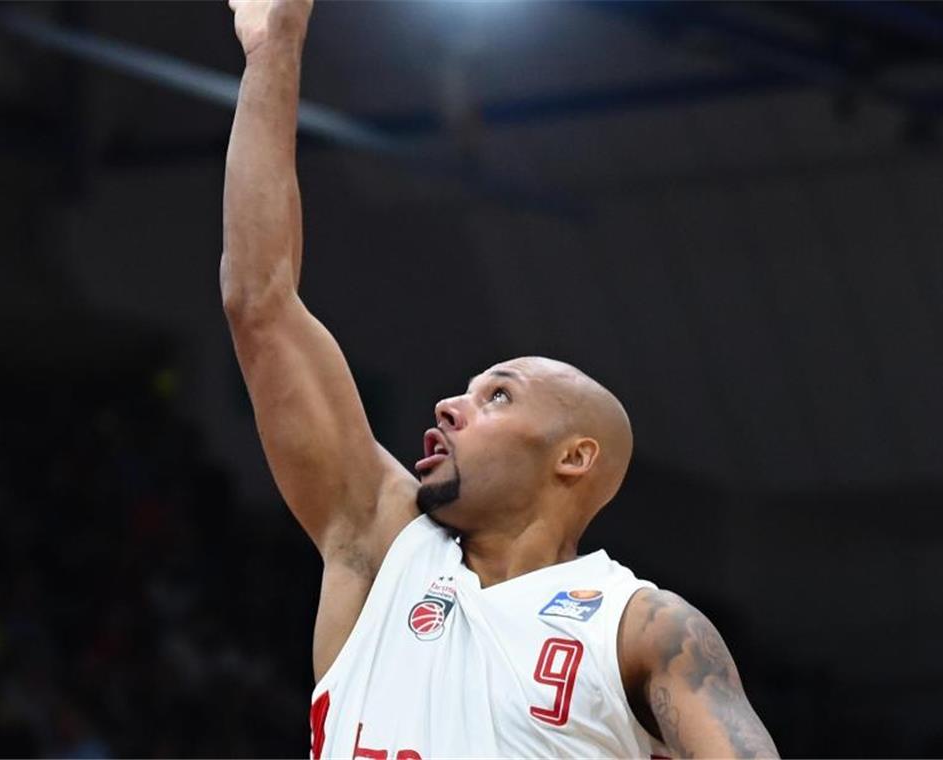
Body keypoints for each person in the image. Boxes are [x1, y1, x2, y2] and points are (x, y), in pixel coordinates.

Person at [222, 1, 778, 757]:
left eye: (498, 396)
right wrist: (275, 44)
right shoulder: (381, 543)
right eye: (467, 390)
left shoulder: (641, 627)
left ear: (573, 456)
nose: (451, 405)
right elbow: (260, 301)